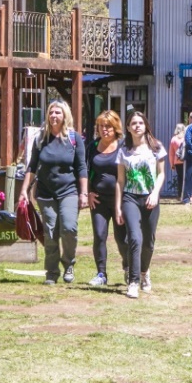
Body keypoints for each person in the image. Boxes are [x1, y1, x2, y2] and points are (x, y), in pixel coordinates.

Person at [20, 100, 88, 284]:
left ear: (64, 115)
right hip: (45, 192)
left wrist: (84, 193)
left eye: (58, 112)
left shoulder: (74, 139)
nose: (54, 116)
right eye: (51, 112)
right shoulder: (41, 138)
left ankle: (69, 264)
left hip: (69, 191)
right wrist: (24, 191)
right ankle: (51, 271)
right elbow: (32, 166)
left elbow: (82, 167)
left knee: (68, 228)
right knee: (50, 233)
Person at [116, 111, 167, 298]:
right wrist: (118, 206)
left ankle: (145, 272)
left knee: (148, 242)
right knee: (134, 239)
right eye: (133, 123)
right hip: (130, 197)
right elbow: (120, 181)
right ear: (128, 128)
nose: (137, 126)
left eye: (140, 123)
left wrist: (155, 193)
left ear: (146, 125)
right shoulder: (123, 151)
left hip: (150, 198)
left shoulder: (156, 147)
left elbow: (161, 174)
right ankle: (133, 281)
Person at [87, 111, 127, 287]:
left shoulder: (123, 146)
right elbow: (84, 170)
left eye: (108, 126)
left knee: (122, 238)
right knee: (99, 235)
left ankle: (128, 267)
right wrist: (88, 192)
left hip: (121, 200)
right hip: (99, 200)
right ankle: (101, 273)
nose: (104, 130)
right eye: (101, 126)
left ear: (115, 127)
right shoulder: (92, 146)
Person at [168, 123, 186, 201]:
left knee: (180, 178)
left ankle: (180, 195)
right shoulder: (186, 138)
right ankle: (187, 194)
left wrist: (172, 163)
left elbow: (171, 153)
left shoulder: (173, 139)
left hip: (177, 161)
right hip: (186, 160)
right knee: (187, 178)